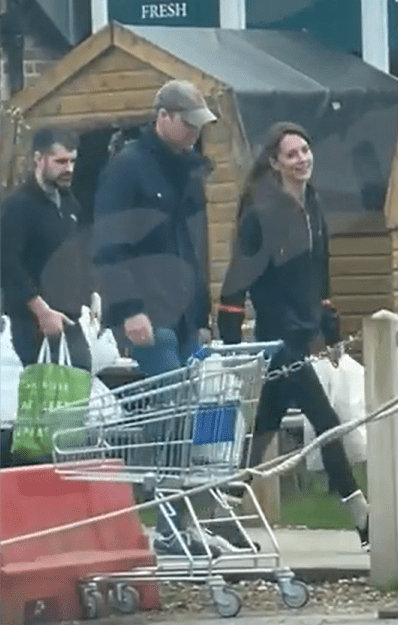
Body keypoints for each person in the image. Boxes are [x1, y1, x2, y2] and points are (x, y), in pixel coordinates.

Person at [217, 122, 370, 548]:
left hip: (304, 333)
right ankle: (362, 517)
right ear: (274, 163)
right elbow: (235, 283)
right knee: (326, 422)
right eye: (291, 154)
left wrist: (328, 319)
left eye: (305, 150)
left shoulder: (313, 207)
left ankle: (224, 508)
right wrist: (230, 340)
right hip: (279, 337)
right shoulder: (261, 215)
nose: (302, 159)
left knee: (264, 424)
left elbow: (319, 272)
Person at [92, 80, 217, 556]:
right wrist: (127, 310)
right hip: (150, 315)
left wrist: (203, 313)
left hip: (184, 315)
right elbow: (109, 246)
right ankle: (167, 523)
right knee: (170, 419)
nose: (193, 134)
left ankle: (179, 519)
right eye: (187, 124)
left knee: (184, 420)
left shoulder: (185, 172)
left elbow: (193, 246)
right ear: (162, 117)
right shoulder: (128, 170)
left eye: (198, 127)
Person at [0, 127, 91, 372]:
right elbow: (8, 265)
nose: (69, 168)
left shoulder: (70, 204)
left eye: (72, 161)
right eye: (60, 161)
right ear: (38, 160)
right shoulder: (17, 207)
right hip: (29, 323)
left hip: (69, 317)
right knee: (40, 400)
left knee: (79, 387)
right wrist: (41, 311)